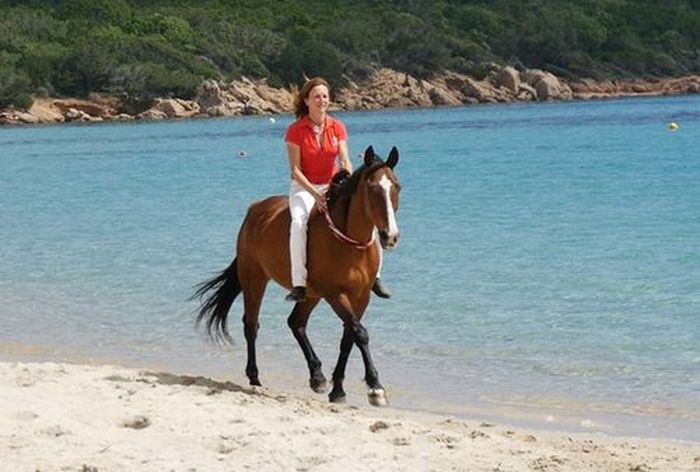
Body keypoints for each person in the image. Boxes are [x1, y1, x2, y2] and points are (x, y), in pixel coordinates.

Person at [284, 77, 391, 302]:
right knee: (298, 223)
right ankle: (299, 283)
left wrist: (347, 176)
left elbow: (345, 159)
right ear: (306, 101)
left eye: (325, 96)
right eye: (316, 97)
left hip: (333, 185)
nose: (321, 100)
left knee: (368, 216)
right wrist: (315, 194)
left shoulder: (337, 127)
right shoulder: (296, 130)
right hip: (305, 188)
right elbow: (295, 170)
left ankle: (377, 277)